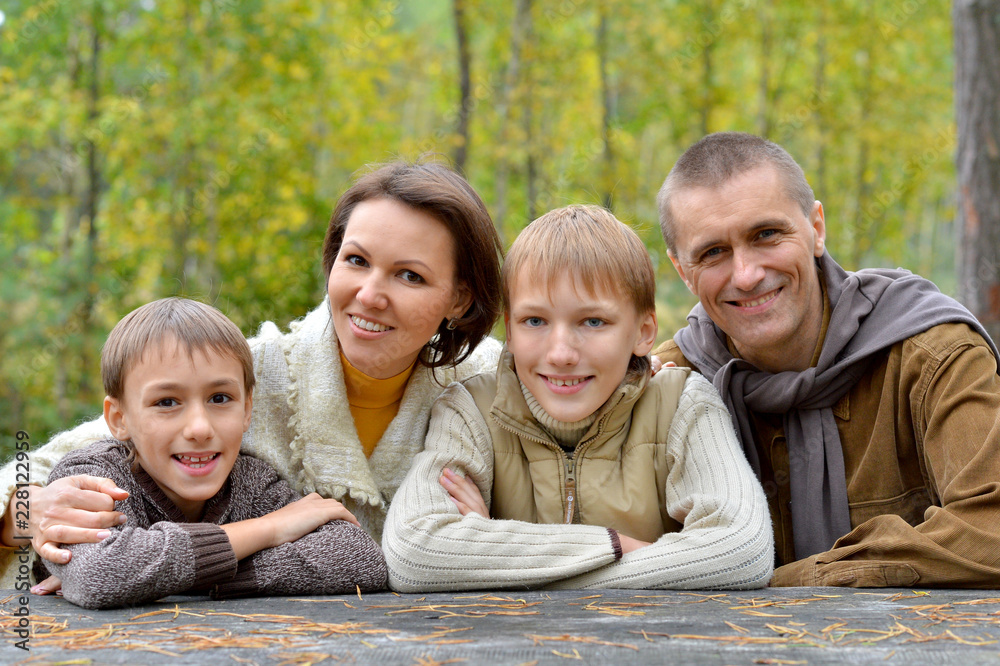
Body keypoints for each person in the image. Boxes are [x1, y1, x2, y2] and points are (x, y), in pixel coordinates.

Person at [0, 161, 505, 590]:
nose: (370, 294)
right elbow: (73, 457)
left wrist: (487, 541)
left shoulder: (488, 389)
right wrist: (22, 516)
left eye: (409, 275)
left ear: (459, 298)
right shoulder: (247, 373)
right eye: (356, 261)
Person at [653, 131, 1000, 587]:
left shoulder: (932, 355)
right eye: (713, 252)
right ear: (682, 270)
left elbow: (991, 530)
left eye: (767, 234)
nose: (747, 274)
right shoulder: (669, 386)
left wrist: (779, 583)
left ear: (816, 229)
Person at [382, 205, 773, 591]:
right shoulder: (471, 410)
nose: (561, 354)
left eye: (592, 322)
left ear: (643, 332)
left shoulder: (681, 405)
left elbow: (742, 552)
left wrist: (496, 555)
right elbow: (413, 552)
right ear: (511, 331)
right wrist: (620, 547)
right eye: (535, 321)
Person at [39, 298, 387, 609]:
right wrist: (266, 530)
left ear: (247, 408)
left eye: (220, 398)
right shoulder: (95, 476)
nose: (200, 428)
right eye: (167, 402)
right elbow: (102, 573)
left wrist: (153, 576)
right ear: (119, 418)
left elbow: (359, 557)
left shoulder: (251, 480)